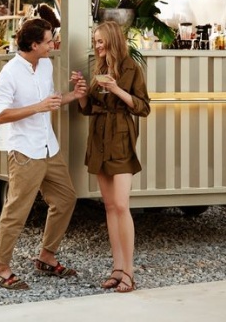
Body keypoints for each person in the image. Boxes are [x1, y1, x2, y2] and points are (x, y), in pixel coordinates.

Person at [0, 17, 87, 290]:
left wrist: (72, 95)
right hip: (25, 152)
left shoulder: (46, 64)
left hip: (49, 147)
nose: (52, 45)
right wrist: (38, 106)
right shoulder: (9, 73)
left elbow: (50, 101)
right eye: (48, 41)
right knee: (16, 212)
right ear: (34, 45)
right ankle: (1, 269)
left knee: (66, 199)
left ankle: (46, 256)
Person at [71, 20, 151, 293]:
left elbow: (143, 107)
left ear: (113, 41)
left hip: (120, 140)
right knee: (108, 207)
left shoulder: (131, 69)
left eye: (100, 41)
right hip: (98, 139)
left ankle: (129, 272)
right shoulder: (100, 68)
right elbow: (88, 109)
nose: (97, 46)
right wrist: (82, 93)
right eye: (95, 41)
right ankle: (116, 269)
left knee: (121, 205)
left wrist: (117, 89)